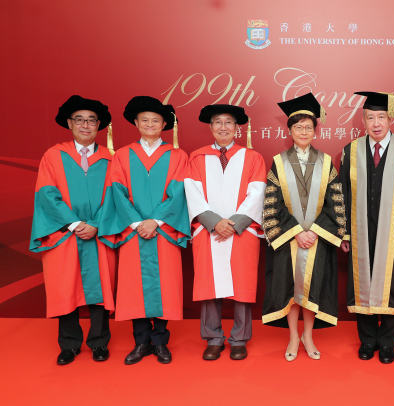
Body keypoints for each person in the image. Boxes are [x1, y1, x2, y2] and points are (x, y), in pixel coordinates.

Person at [98, 96, 190, 365]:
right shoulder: (123, 156)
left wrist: (157, 222)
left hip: (164, 232)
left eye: (156, 120)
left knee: (165, 287)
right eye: (145, 120)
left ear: (165, 124)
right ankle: (141, 342)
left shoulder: (178, 156)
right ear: (136, 123)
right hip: (133, 232)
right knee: (134, 288)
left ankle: (160, 342)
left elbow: (180, 192)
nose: (150, 124)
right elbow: (116, 191)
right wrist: (138, 223)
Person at [30, 95, 116, 365]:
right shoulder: (54, 156)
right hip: (64, 233)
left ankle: (99, 342)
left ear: (99, 125)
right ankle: (69, 344)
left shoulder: (111, 158)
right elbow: (47, 194)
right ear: (70, 123)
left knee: (100, 286)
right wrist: (76, 224)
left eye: (91, 120)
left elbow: (117, 197)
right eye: (80, 120)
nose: (86, 125)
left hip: (99, 231)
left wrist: (97, 224)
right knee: (65, 287)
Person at [339, 92, 394, 364]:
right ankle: (367, 341)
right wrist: (344, 232)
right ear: (363, 120)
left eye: (381, 117)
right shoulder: (350, 151)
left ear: (391, 118)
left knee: (393, 285)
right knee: (361, 283)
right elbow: (341, 195)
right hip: (359, 230)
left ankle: (387, 343)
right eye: (370, 117)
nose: (376, 123)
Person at [262, 93, 344, 361]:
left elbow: (336, 203)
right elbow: (272, 203)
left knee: (312, 288)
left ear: (315, 130)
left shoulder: (326, 161)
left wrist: (314, 232)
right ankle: (293, 337)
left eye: (309, 127)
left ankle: (308, 335)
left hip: (317, 238)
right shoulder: (278, 162)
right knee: (290, 288)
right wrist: (297, 231)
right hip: (290, 238)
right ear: (289, 129)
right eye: (298, 127)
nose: (304, 131)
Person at [184, 104, 266, 361]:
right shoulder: (197, 157)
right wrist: (213, 222)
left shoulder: (253, 157)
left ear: (237, 128)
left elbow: (257, 193)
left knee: (242, 286)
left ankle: (239, 338)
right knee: (210, 286)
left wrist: (233, 224)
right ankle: (213, 338)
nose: (223, 127)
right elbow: (192, 192)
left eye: (228, 122)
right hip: (208, 231)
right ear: (210, 127)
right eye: (218, 122)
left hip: (241, 231)